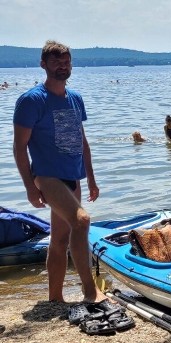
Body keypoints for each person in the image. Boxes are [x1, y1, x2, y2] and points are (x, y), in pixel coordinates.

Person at [12, 40, 107, 304]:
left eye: (66, 61)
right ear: (44, 64)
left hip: (72, 175)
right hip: (47, 175)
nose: (62, 66)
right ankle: (91, 292)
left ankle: (54, 299)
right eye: (56, 61)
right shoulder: (31, 100)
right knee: (82, 221)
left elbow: (82, 141)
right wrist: (30, 186)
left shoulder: (75, 98)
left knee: (60, 238)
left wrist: (91, 180)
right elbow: (19, 148)